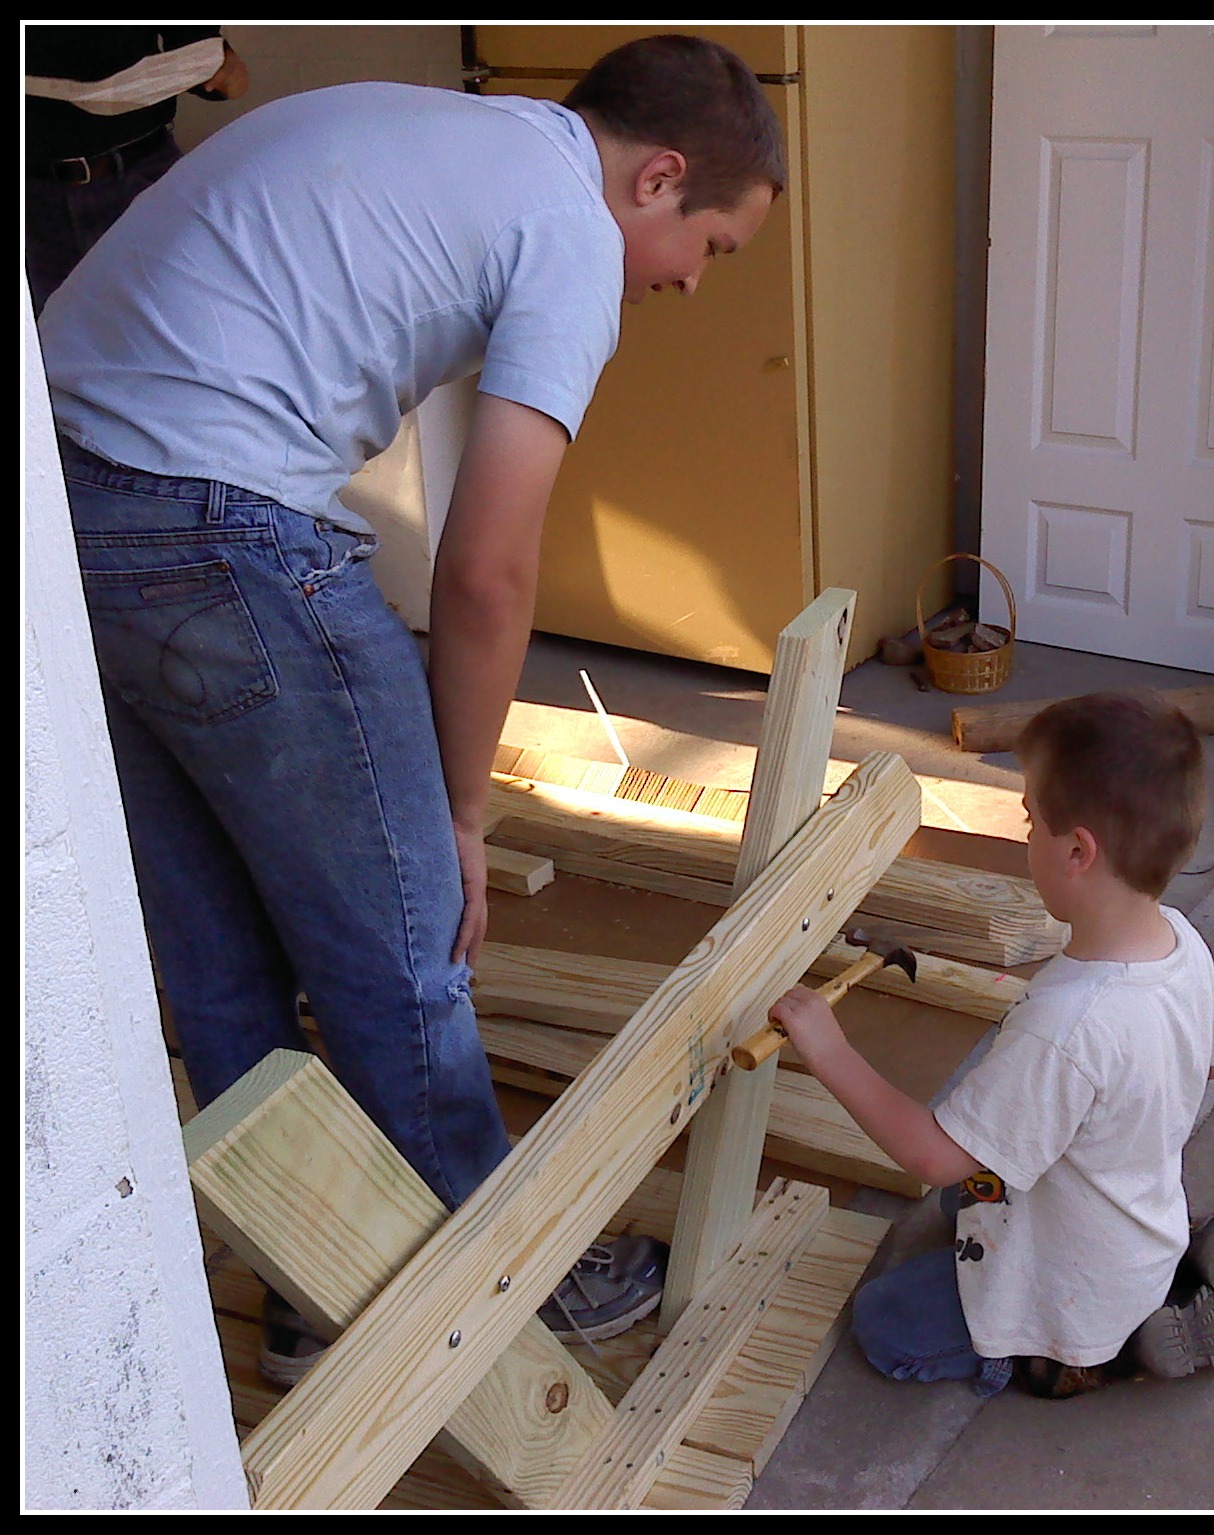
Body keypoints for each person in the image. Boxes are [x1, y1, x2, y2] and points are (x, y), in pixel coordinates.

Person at [36, 33, 784, 1380]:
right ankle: (506, 1272)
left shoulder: (430, 128)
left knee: (218, 953)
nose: (685, 281)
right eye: (710, 248)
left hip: (58, 504)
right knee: (404, 945)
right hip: (213, 524)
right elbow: (490, 569)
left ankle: (311, 1278)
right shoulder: (566, 232)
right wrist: (458, 806)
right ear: (659, 175)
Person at [767, 692, 1214, 1401]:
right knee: (959, 1200)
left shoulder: (1066, 1026)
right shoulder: (1181, 942)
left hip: (1066, 1287)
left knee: (887, 1321)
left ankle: (1073, 1354)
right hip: (1131, 1224)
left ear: (1076, 851)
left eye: (1030, 819)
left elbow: (931, 1154)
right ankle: (1168, 1266)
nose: (1023, 832)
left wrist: (829, 1049)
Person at [24, 25, 250, 315]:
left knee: (178, 318)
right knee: (55, 340)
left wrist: (214, 64)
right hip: (35, 197)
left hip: (141, 177)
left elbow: (201, 53)